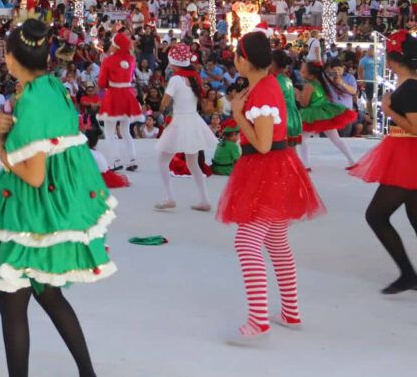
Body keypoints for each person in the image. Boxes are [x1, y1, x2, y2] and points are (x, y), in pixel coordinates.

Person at [0, 19, 112, 377]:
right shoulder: (53, 87)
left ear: (12, 57)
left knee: (13, 306)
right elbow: (47, 142)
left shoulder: (31, 99)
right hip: (52, 211)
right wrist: (11, 126)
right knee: (48, 294)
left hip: (29, 214)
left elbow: (33, 174)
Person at [217, 31, 325, 343]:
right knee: (276, 241)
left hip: (267, 168)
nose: (234, 60)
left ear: (246, 59)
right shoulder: (263, 86)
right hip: (276, 168)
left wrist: (238, 116)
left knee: (247, 242)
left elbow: (263, 144)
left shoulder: (263, 91)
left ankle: (258, 322)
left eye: (236, 55)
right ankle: (290, 312)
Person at [348, 33, 417, 294]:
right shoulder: (408, 85)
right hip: (406, 155)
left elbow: (415, 128)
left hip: (408, 156)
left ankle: (409, 274)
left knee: (376, 215)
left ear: (393, 58)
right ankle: (409, 274)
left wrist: (388, 111)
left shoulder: (410, 88)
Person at [153, 43, 213, 212]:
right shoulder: (194, 77)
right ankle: (204, 200)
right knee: (193, 163)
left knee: (162, 161)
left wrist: (160, 109)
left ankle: (169, 197)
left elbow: (165, 100)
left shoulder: (176, 79)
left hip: (180, 122)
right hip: (193, 120)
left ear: (173, 63)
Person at [296, 60, 358, 168]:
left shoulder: (309, 86)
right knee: (336, 139)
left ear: (310, 75)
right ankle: (352, 161)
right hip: (326, 113)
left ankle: (305, 165)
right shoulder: (320, 82)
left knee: (299, 139)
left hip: (315, 115)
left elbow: (304, 103)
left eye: (303, 72)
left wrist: (298, 94)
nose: (300, 74)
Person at [97, 31, 142, 171]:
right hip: (128, 94)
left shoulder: (107, 61)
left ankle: (116, 161)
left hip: (113, 95)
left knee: (109, 131)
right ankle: (132, 159)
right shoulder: (131, 60)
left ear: (115, 46)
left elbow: (102, 82)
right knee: (125, 130)